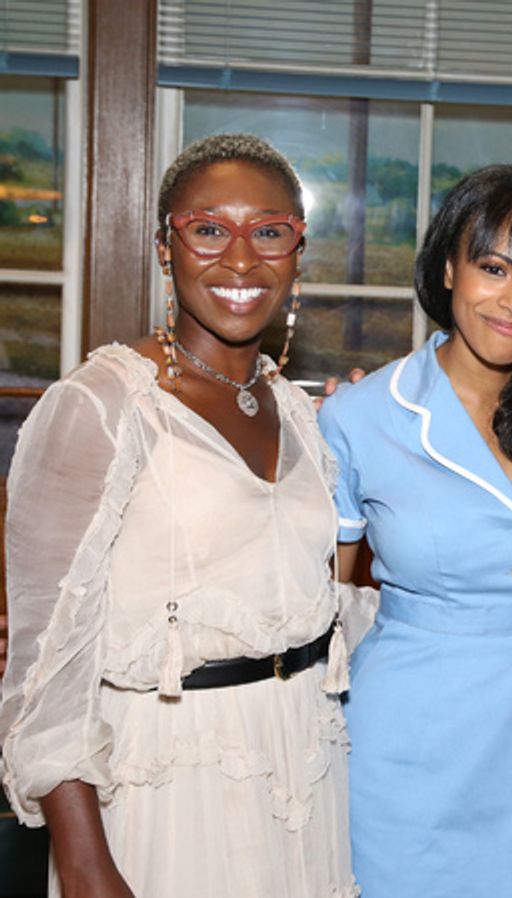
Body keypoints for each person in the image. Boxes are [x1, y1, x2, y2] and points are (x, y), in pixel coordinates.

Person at [0, 134, 361, 898]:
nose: (240, 259)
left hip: (301, 763)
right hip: (163, 783)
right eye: (208, 229)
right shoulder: (101, 405)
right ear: (167, 246)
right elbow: (43, 670)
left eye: (269, 232)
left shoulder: (294, 410)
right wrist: (90, 868)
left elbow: (312, 596)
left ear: (298, 251)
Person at [318, 165, 512, 898]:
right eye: (493, 267)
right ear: (449, 268)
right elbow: (319, 603)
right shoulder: (361, 416)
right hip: (404, 742)